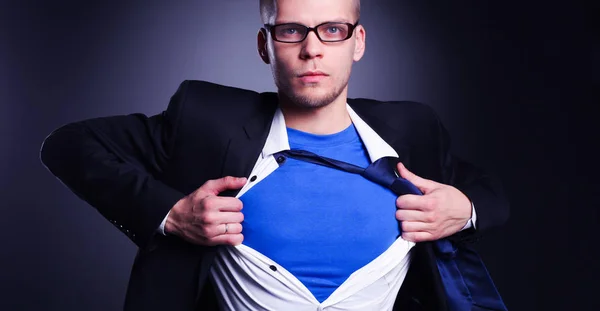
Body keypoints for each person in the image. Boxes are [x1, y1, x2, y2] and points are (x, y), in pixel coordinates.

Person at [39, 0, 509, 310]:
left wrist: (464, 209)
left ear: (357, 42)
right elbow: (68, 145)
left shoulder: (412, 128)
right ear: (265, 45)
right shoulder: (205, 118)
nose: (311, 50)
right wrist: (170, 213)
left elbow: (487, 193)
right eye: (290, 31)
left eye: (332, 30)